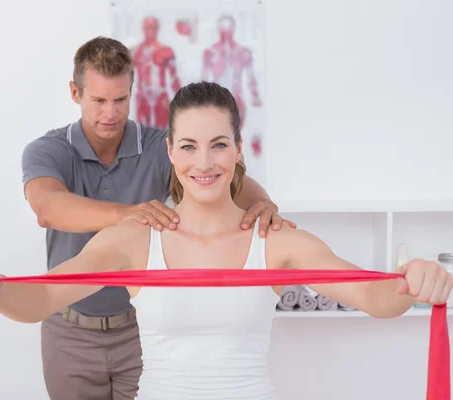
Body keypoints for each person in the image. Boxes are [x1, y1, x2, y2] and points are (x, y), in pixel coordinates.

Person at [0, 81, 453, 400]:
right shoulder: (134, 239)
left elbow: (374, 295)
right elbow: (43, 297)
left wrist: (416, 280)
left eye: (218, 145)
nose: (204, 162)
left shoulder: (273, 241)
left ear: (237, 150)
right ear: (169, 152)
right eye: (189, 146)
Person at [19, 36, 293, 399]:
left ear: (132, 92)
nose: (110, 113)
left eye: (120, 99)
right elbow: (48, 208)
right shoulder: (49, 150)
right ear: (75, 93)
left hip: (138, 327)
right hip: (70, 329)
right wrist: (128, 214)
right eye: (99, 100)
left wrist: (265, 206)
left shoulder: (158, 146)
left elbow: (228, 177)